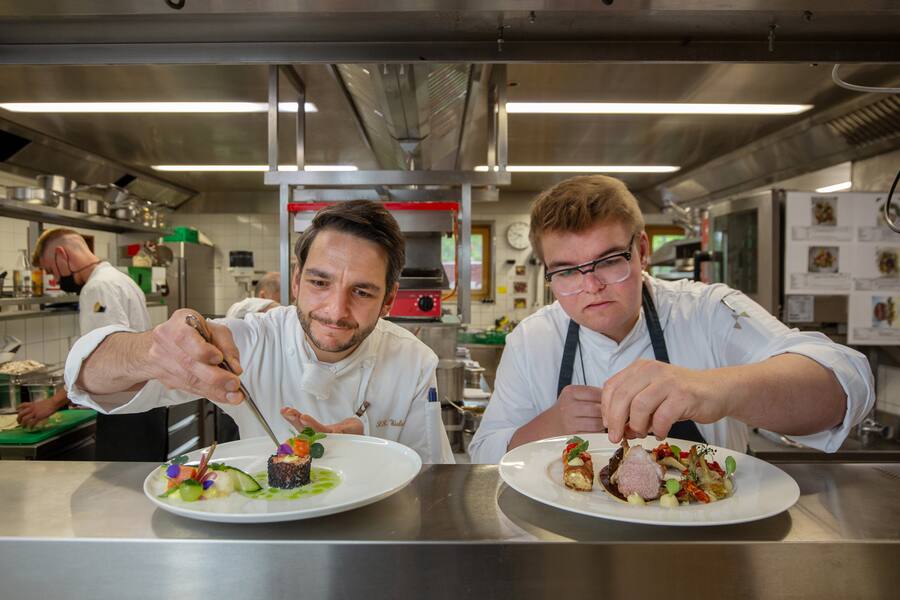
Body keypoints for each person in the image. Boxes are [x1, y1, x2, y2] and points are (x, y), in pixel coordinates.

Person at [468, 175, 874, 463]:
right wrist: (551, 424)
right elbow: (483, 454)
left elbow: (847, 383)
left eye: (609, 261)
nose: (590, 286)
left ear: (642, 250)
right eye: (567, 271)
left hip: (705, 541)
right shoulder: (533, 338)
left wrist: (713, 389)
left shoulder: (706, 311)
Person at [64, 200, 454, 463]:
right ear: (297, 282)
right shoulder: (247, 343)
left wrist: (368, 450)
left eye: (362, 291)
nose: (336, 311)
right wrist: (151, 350)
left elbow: (430, 475)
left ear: (388, 301)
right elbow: (86, 377)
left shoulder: (413, 361)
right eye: (320, 283)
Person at [18, 228, 168, 461]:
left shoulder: (98, 288)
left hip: (125, 412)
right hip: (144, 405)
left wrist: (52, 403)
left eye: (51, 270)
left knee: (120, 493)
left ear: (62, 254)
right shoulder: (120, 279)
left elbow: (104, 357)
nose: (55, 280)